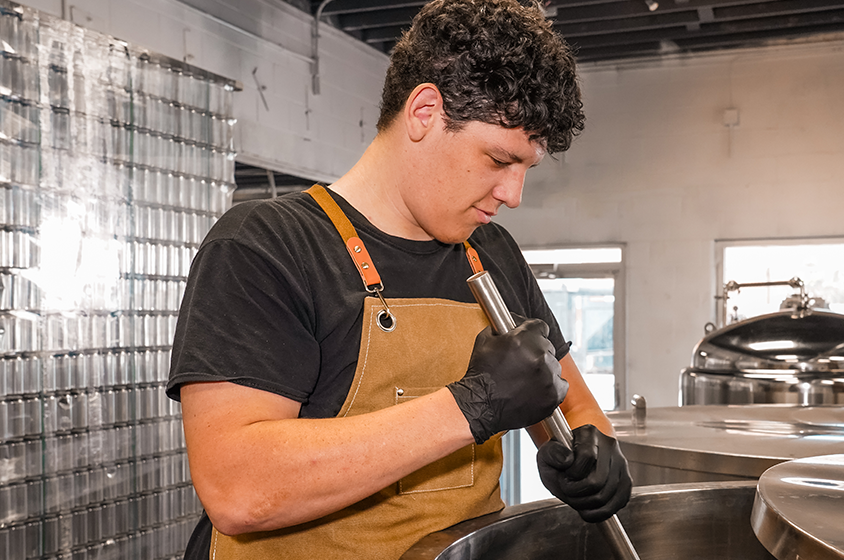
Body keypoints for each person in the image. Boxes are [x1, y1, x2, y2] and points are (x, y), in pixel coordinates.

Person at [166, 1, 632, 558]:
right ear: (424, 112)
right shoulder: (266, 245)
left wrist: (592, 450)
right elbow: (239, 486)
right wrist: (473, 405)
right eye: (497, 160)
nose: (513, 194)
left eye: (525, 169)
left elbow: (568, 399)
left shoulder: (491, 253)